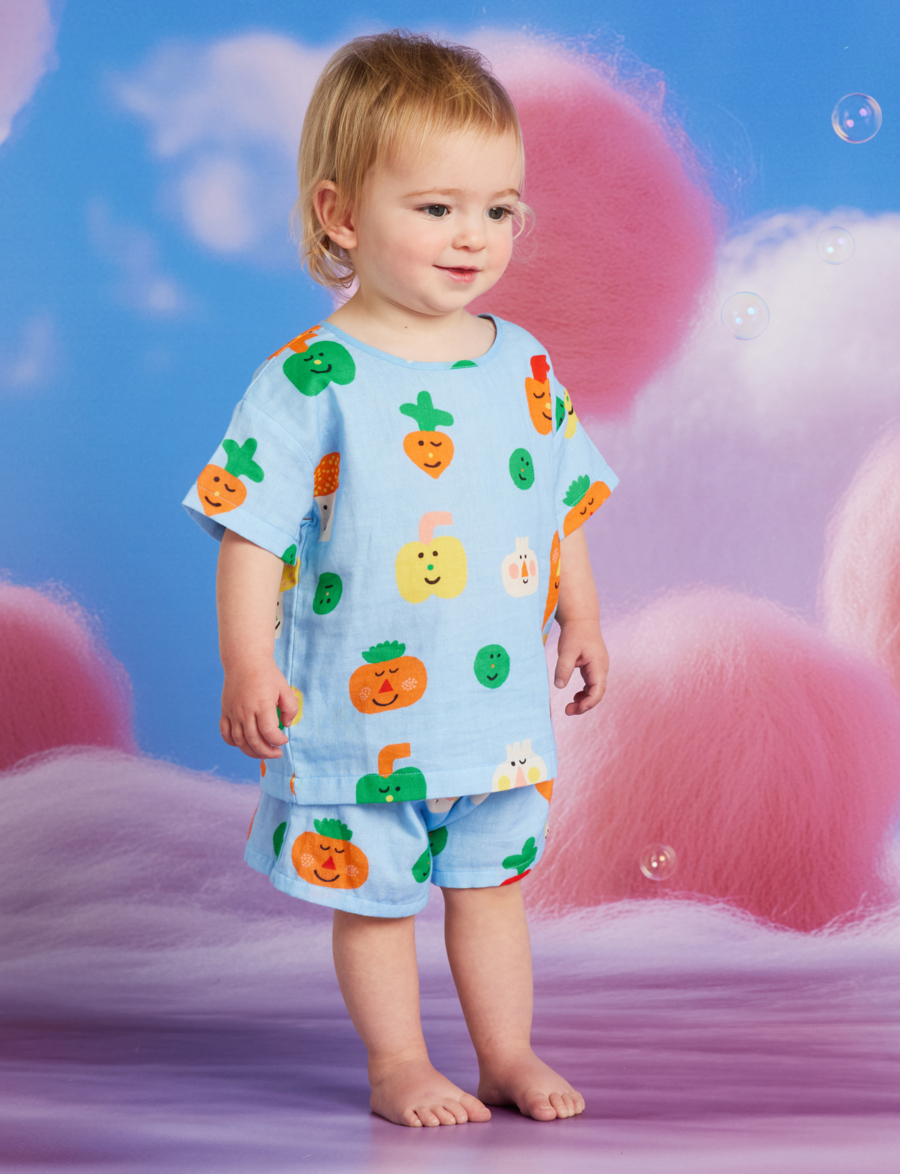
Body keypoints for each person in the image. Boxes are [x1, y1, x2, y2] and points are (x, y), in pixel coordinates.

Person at [183, 30, 617, 1128]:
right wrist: (246, 663)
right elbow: (250, 531)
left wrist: (581, 613)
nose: (474, 235)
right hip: (355, 711)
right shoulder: (309, 379)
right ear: (338, 214)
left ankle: (505, 1053)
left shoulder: (524, 362)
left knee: (493, 888)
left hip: (492, 712)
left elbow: (558, 503)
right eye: (436, 207)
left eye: (499, 208)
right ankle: (398, 1066)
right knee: (375, 901)